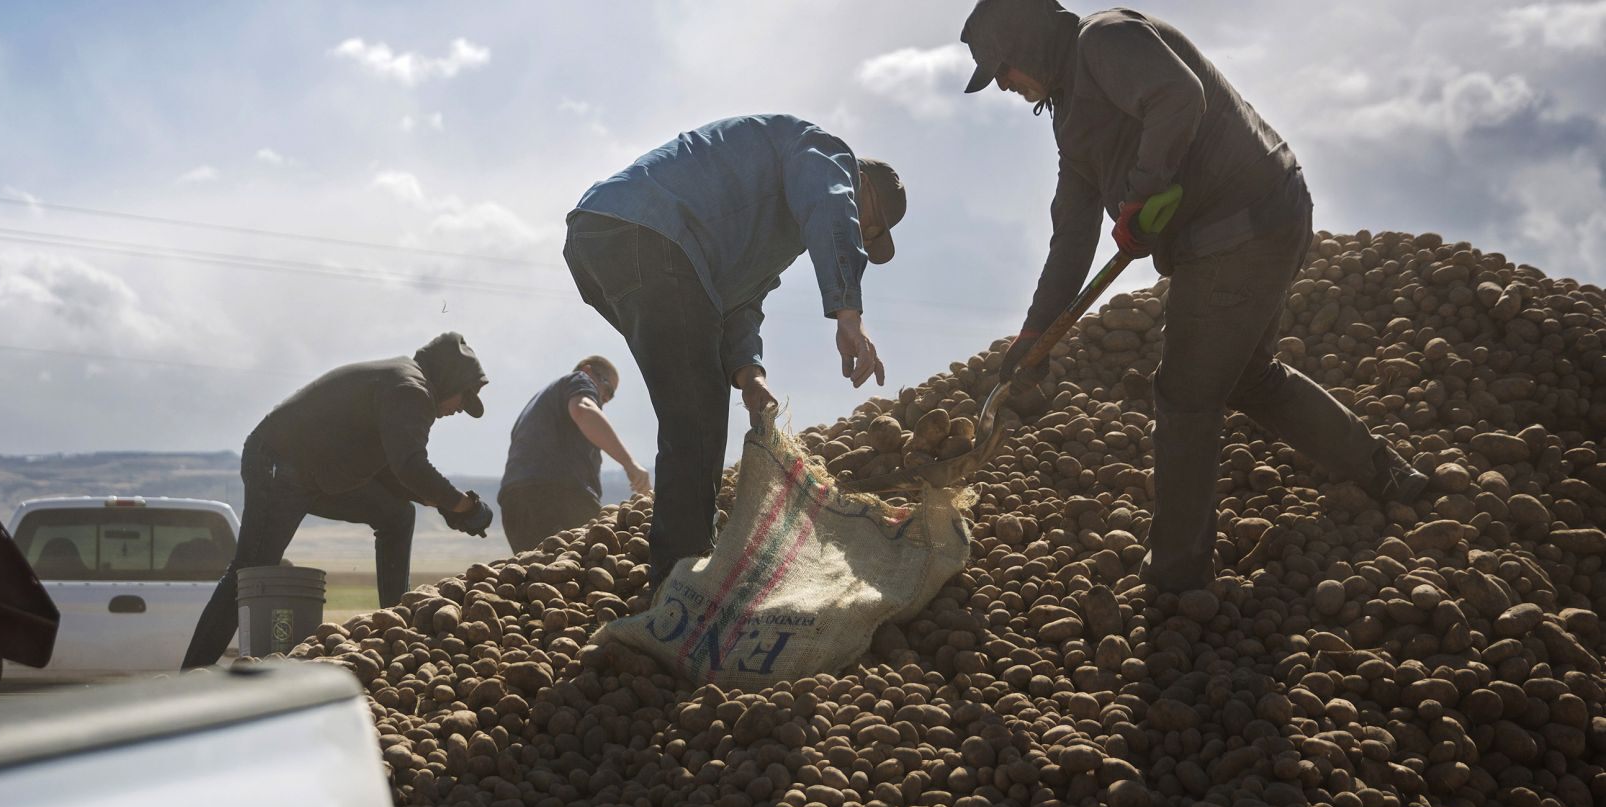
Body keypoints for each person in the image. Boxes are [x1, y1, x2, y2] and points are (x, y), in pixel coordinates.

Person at [958, 0, 1429, 592]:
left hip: (1240, 219)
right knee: (1247, 378)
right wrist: (1034, 334)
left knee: (1184, 396)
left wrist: (1141, 193)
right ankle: (1390, 475)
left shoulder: (1104, 38)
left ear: (1026, 45)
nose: (1002, 84)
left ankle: (1177, 576)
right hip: (1255, 218)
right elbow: (1072, 234)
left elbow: (1178, 97)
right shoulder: (1071, 119)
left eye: (1001, 68)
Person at [565, 114, 907, 585]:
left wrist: (752, 378)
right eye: (869, 226)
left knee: (694, 399)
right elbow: (832, 204)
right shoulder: (827, 155)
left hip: (603, 239)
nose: (863, 236)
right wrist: (848, 311)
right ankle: (680, 582)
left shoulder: (768, 228)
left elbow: (736, 302)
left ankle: (681, 564)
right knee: (696, 416)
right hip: (647, 232)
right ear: (861, 186)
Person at [180, 332, 494, 669]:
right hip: (278, 462)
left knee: (396, 516)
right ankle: (190, 674)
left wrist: (447, 505)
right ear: (449, 378)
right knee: (250, 570)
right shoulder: (410, 389)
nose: (460, 409)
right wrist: (464, 505)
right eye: (463, 398)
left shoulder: (404, 385)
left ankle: (395, 624)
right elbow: (410, 467)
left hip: (317, 475)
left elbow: (392, 473)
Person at [498, 355, 652, 553]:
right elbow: (583, 410)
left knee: (539, 571)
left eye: (611, 396)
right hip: (557, 496)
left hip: (514, 504)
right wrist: (630, 464)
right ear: (587, 371)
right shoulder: (578, 380)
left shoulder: (538, 407)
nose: (605, 398)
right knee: (584, 565)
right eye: (607, 388)